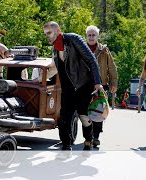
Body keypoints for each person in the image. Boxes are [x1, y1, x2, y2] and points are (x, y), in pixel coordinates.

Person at [43, 21, 103, 158]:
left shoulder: (73, 39)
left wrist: (98, 83)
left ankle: (89, 139)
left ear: (58, 30)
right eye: (45, 34)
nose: (47, 36)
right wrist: (41, 77)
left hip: (83, 83)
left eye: (49, 33)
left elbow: (92, 60)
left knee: (83, 115)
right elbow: (55, 67)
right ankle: (66, 147)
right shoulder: (55, 48)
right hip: (67, 86)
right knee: (64, 116)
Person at [85, 25, 118, 147]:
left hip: (101, 85)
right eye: (89, 35)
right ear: (86, 36)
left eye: (94, 35)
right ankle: (88, 136)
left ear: (97, 36)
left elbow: (112, 68)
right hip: (85, 85)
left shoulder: (104, 50)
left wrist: (113, 83)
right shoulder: (82, 49)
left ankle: (96, 136)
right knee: (85, 111)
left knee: (98, 111)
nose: (91, 37)